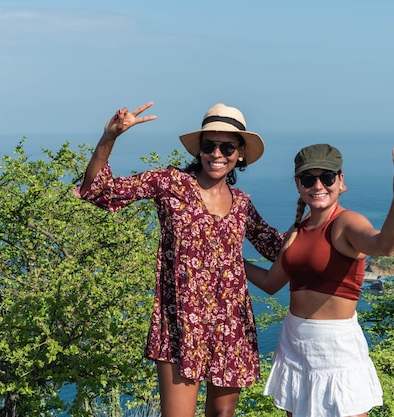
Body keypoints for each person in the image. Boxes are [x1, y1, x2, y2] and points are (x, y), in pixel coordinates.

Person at [73, 101, 283, 417]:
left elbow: (280, 249)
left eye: (227, 147)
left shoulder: (241, 204)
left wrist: (328, 221)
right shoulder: (172, 183)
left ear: (239, 154)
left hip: (231, 323)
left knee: (223, 414)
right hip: (179, 321)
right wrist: (109, 138)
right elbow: (100, 192)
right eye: (209, 146)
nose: (217, 154)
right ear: (198, 150)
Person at [245, 143, 394, 417]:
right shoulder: (296, 231)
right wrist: (232, 260)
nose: (318, 185)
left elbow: (384, 245)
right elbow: (269, 282)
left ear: (340, 181)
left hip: (335, 347)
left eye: (326, 177)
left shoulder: (346, 224)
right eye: (308, 179)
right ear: (298, 185)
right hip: (294, 341)